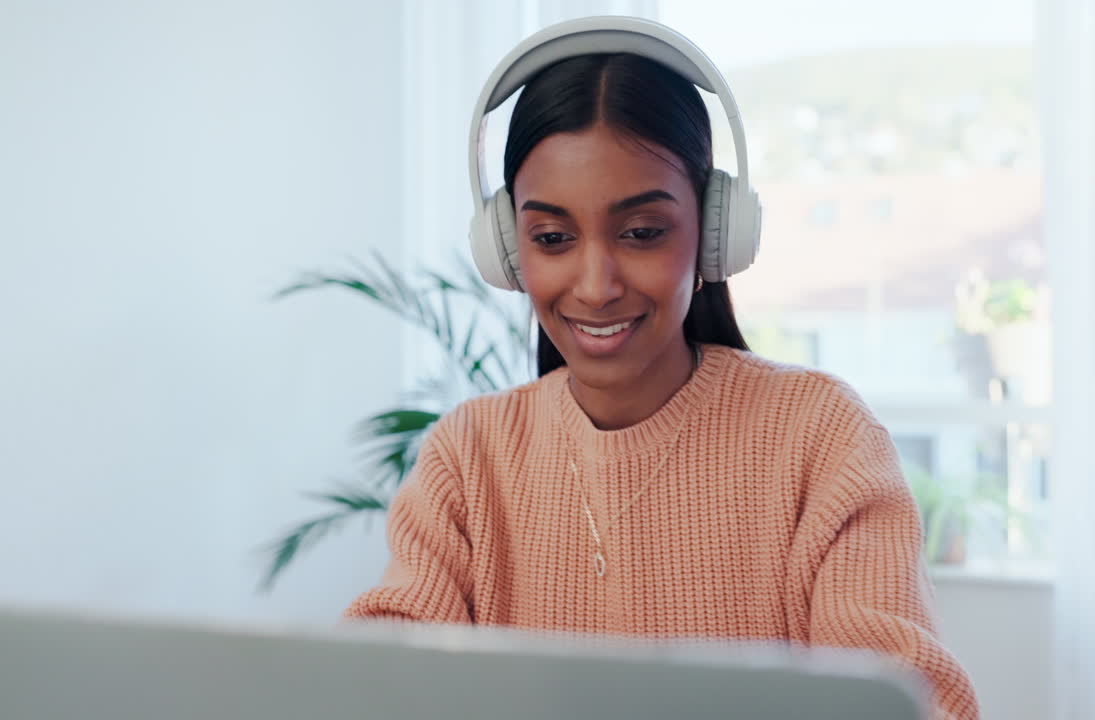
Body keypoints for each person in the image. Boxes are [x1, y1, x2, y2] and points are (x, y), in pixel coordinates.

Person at [345, 17, 979, 720]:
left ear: (714, 235)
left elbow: (913, 703)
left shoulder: (820, 437)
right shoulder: (467, 460)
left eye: (642, 232)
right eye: (552, 238)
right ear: (507, 251)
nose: (594, 285)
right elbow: (378, 682)